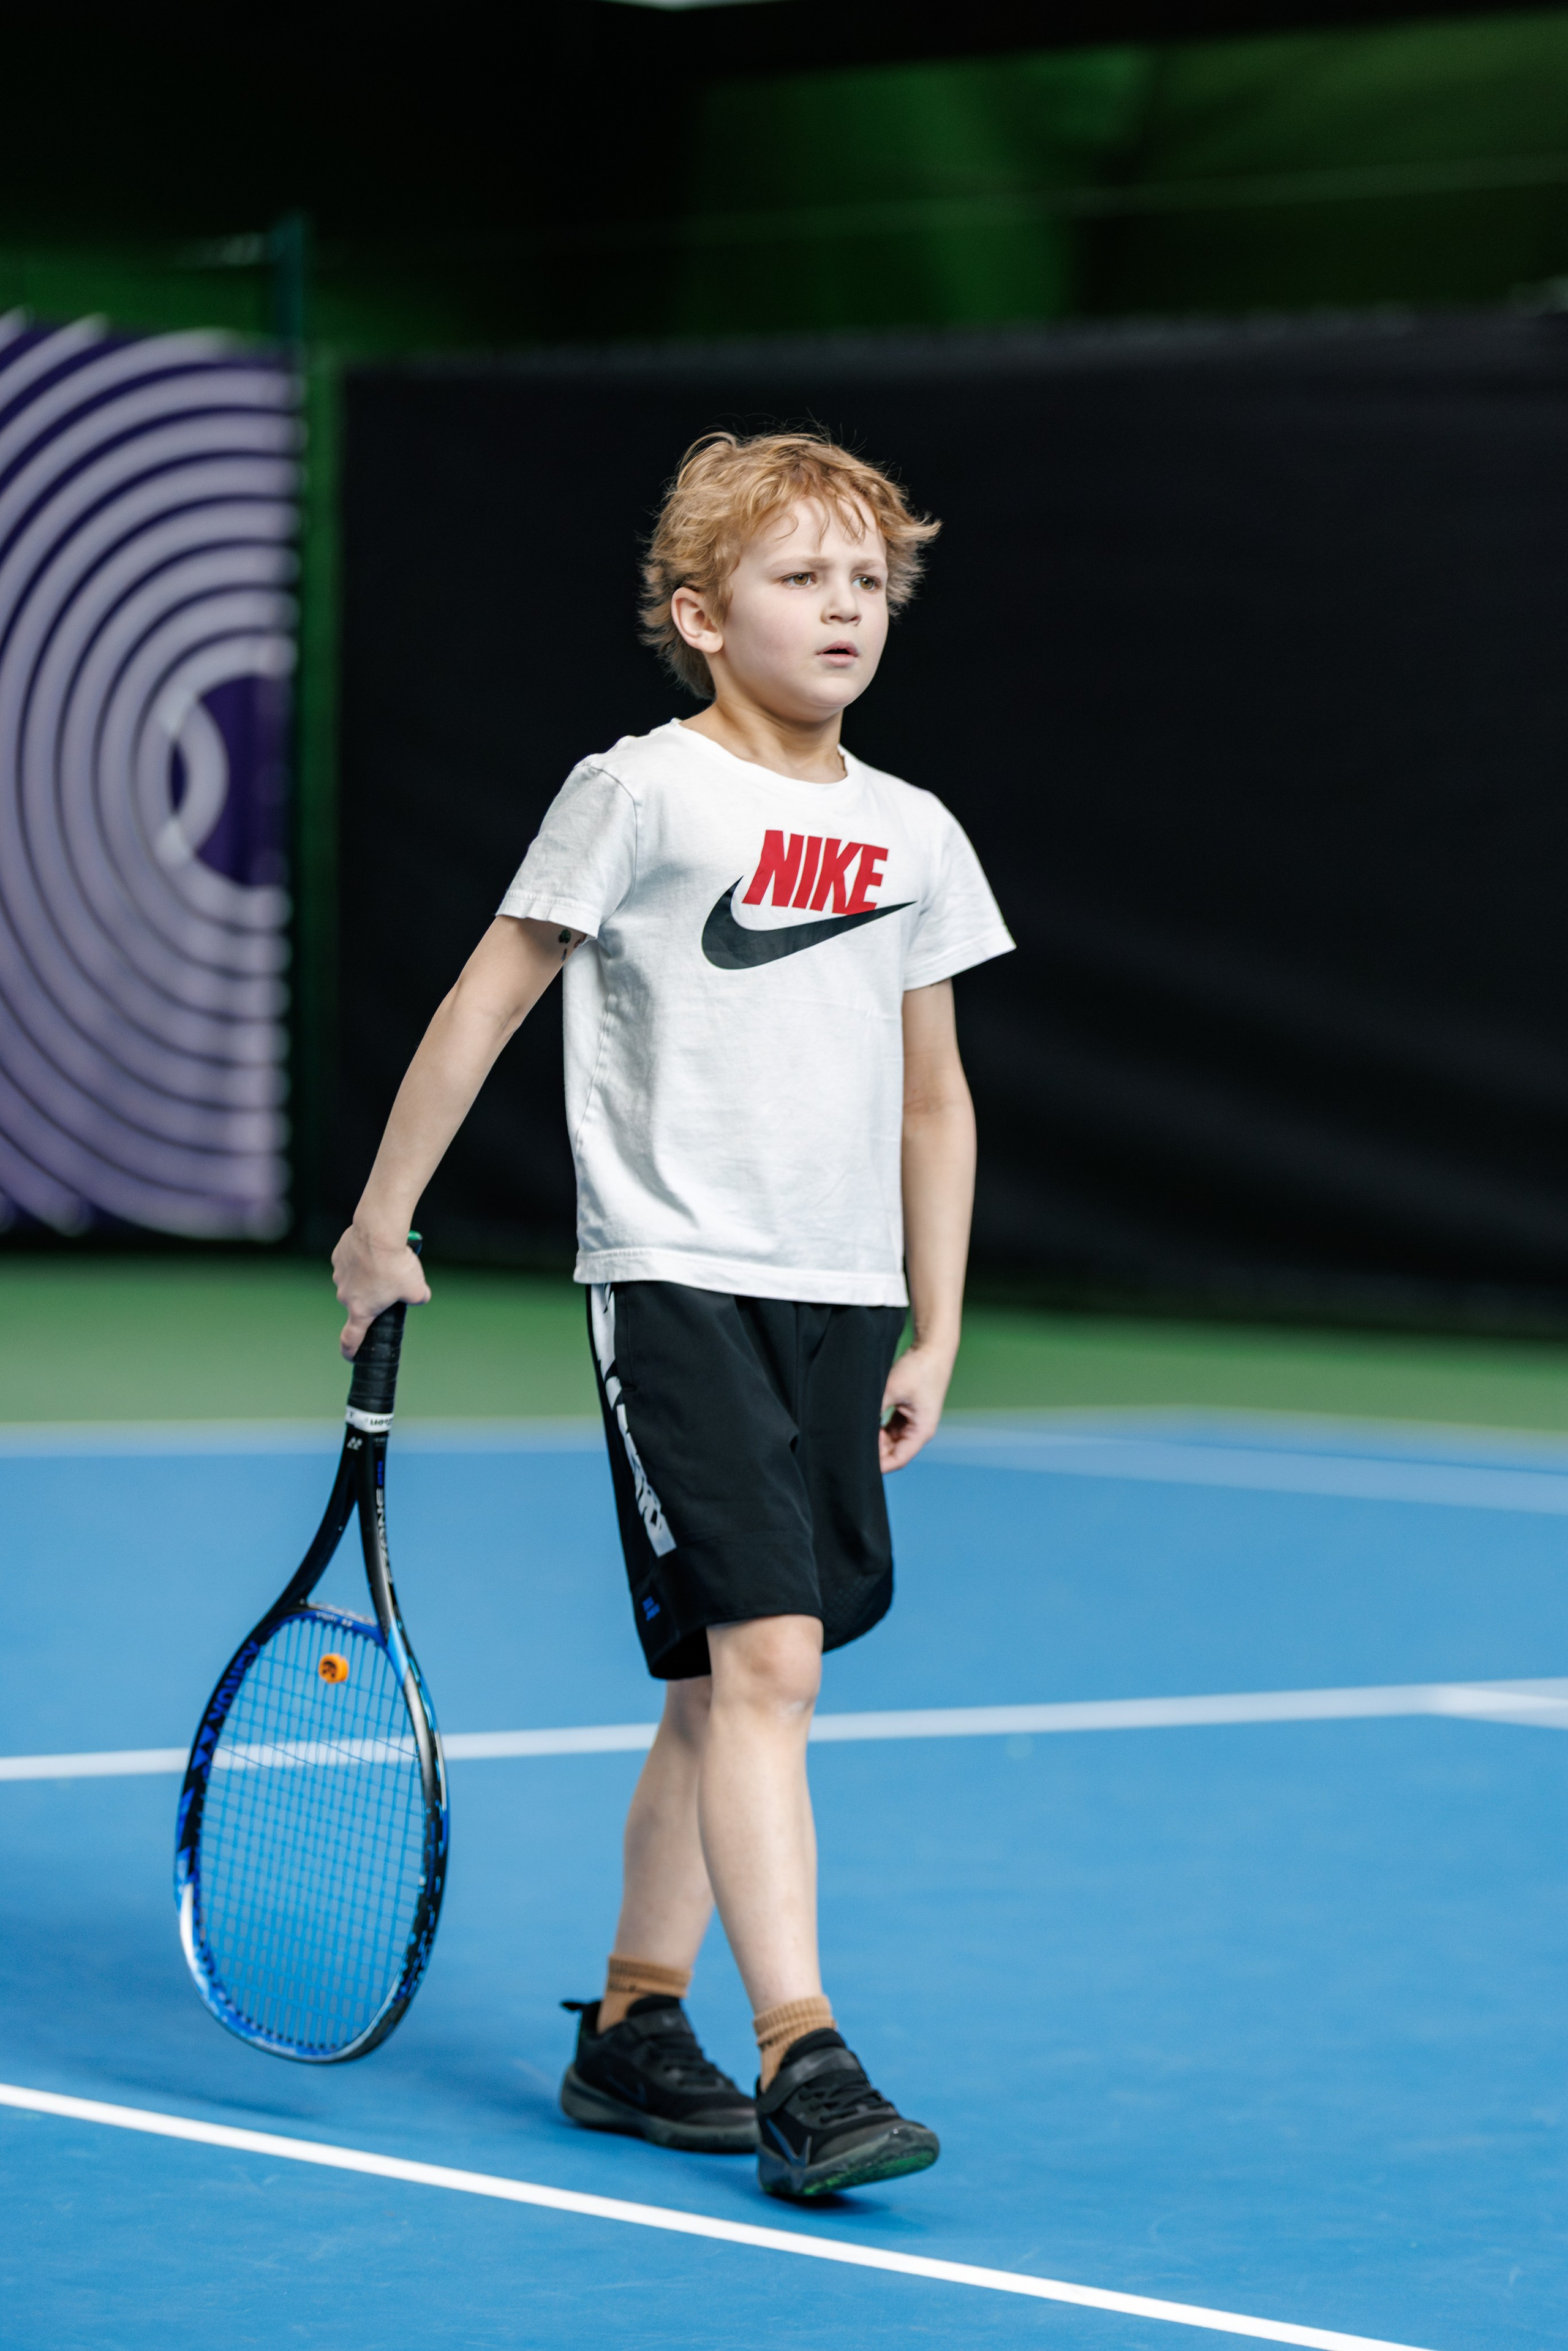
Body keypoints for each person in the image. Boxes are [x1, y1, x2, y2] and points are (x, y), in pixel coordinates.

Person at [331, 431, 1013, 2201]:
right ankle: (809, 2057)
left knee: (733, 1687)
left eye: (870, 579)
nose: (846, 606)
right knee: (767, 1664)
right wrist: (377, 1227)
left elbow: (933, 1100)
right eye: (803, 577)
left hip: (845, 1297)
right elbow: (490, 1002)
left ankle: (635, 2028)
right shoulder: (641, 792)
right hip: (677, 1281)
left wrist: (936, 1326)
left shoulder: (913, 831)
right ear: (705, 617)